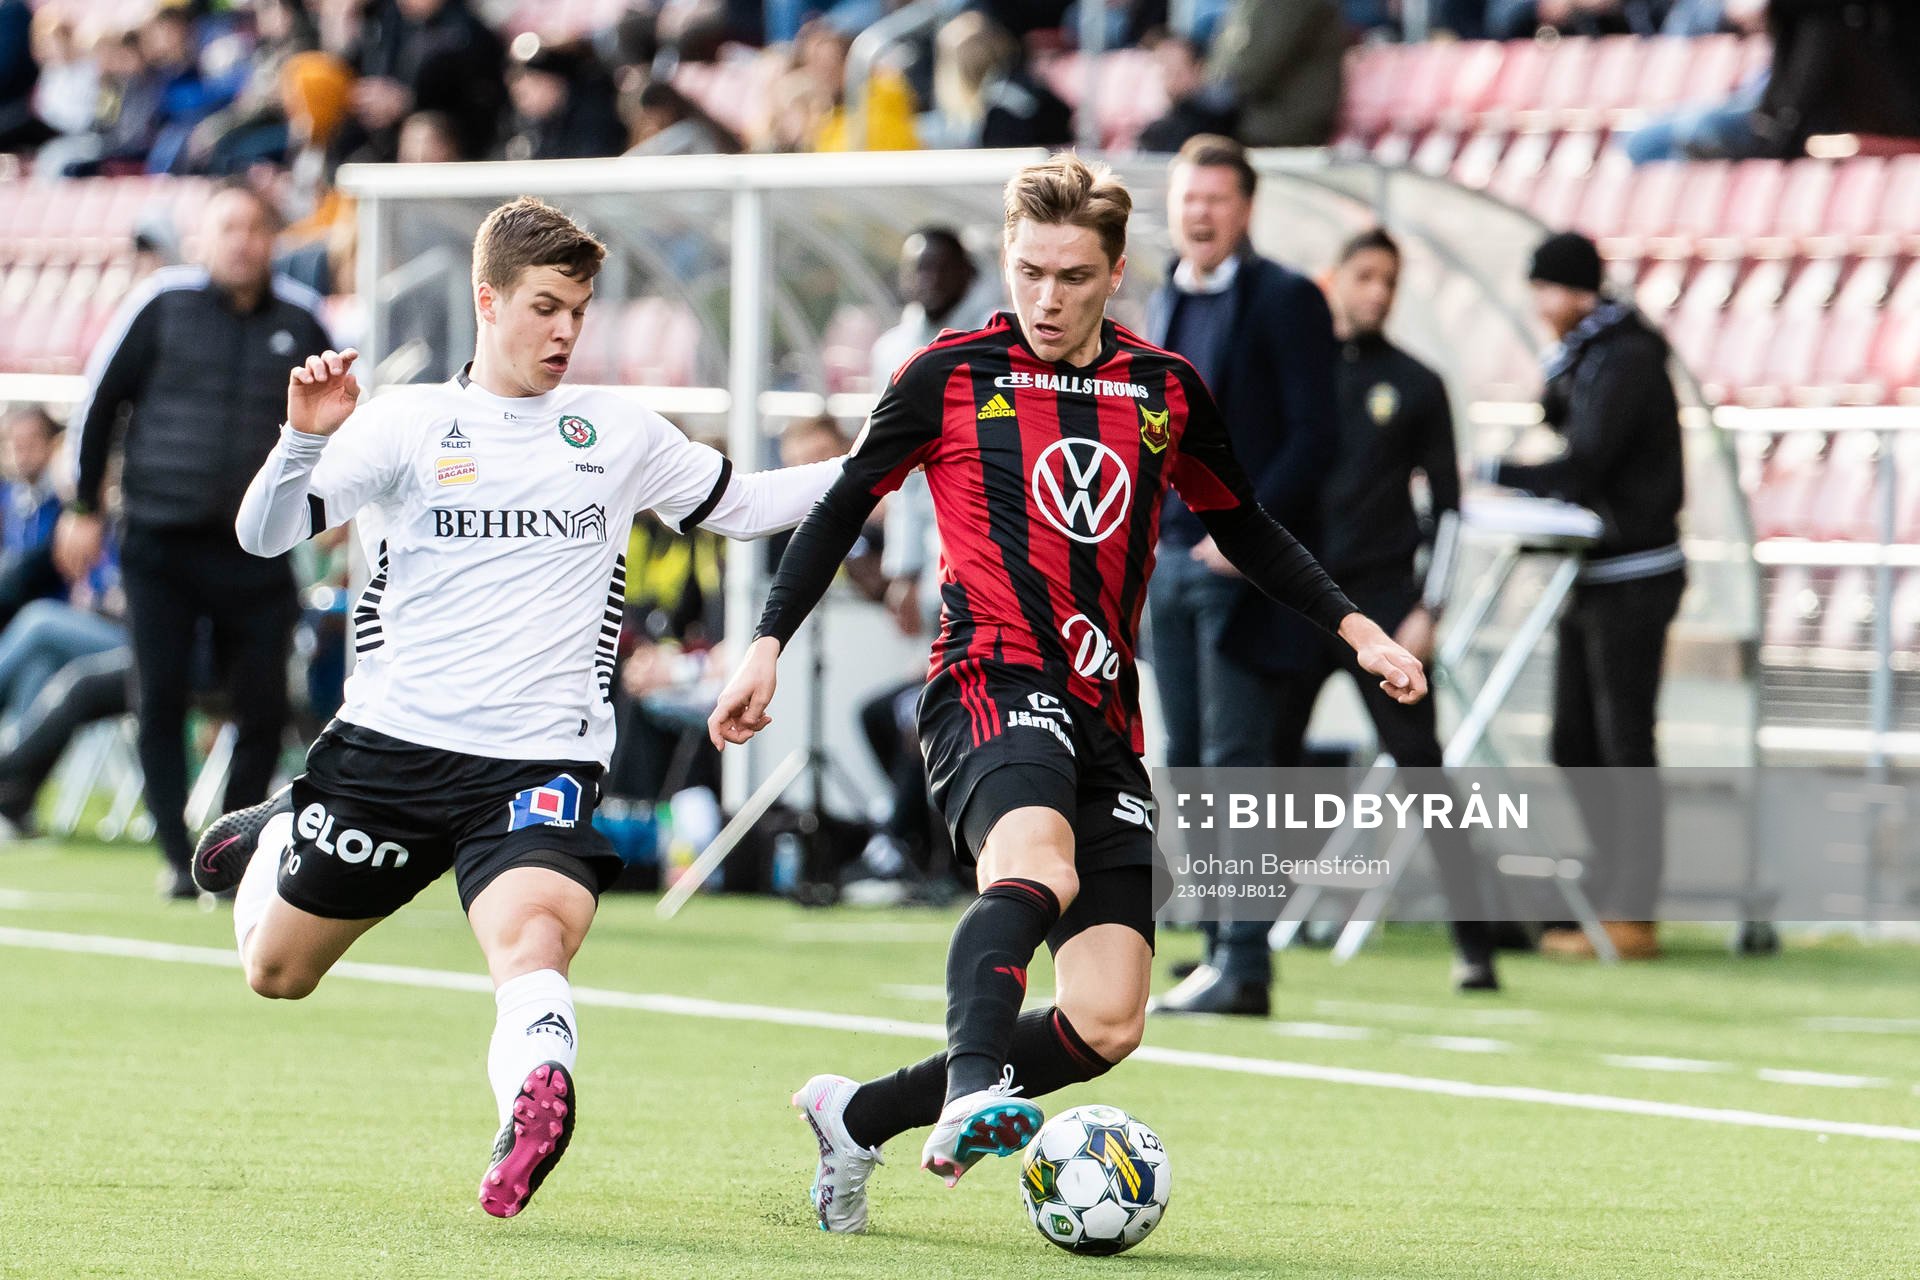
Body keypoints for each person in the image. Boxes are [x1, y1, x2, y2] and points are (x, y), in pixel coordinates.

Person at [707, 153, 1425, 1231]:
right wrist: (764, 640)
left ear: (1116, 273)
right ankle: (969, 1088)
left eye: (1074, 277)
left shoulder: (1165, 388)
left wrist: (1357, 625)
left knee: (1106, 1017)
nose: (1048, 297)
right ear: (1009, 258)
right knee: (1032, 862)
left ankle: (856, 1115)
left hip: (1104, 713)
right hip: (987, 677)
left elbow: (1245, 524)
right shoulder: (946, 374)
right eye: (1031, 270)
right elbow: (844, 502)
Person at [185, 196, 842, 1220]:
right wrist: (301, 440)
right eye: (544, 306)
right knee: (275, 972)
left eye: (578, 308)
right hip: (392, 754)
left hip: (540, 762)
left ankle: (533, 1102)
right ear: (488, 302)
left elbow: (749, 504)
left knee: (532, 939)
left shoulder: (616, 430)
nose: (565, 331)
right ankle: (283, 827)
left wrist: (885, 462)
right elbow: (264, 536)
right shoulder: (407, 422)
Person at [1183, 228, 1499, 998]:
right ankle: (1232, 947)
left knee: (1422, 766)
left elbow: (1451, 510)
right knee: (1260, 769)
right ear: (1334, 279)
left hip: (1383, 608)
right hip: (1297, 599)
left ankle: (1477, 944)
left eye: (1389, 280)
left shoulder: (1415, 384)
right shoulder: (1297, 373)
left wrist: (1433, 605)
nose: (1377, 292)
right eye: (1364, 276)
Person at [56, 182, 333, 900]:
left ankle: (229, 852)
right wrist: (84, 505)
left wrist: (339, 501)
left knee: (266, 707)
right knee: (161, 695)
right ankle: (177, 856)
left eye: (256, 227)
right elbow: (99, 403)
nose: (243, 240)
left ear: (275, 238)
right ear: (203, 239)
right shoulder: (160, 304)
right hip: (160, 539)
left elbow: (341, 419)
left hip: (259, 551)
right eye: (229, 227)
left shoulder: (304, 320)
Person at [1143, 134, 1337, 1017]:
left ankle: (1247, 958)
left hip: (1238, 567)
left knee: (1238, 765)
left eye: (1217, 198)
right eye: (1189, 197)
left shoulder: (1288, 299)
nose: (1201, 213)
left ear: (1246, 209)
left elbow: (1314, 437)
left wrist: (1242, 535)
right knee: (1186, 762)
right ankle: (1220, 943)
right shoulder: (1159, 297)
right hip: (1168, 567)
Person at [1481, 231, 1686, 961]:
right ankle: (1604, 890)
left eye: (1546, 289)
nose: (1539, 306)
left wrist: (1497, 471)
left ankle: (1635, 909)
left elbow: (1587, 459)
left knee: (1624, 741)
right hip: (1594, 571)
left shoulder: (1624, 356)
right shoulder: (1592, 355)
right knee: (1574, 740)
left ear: (1573, 290)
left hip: (1634, 572)